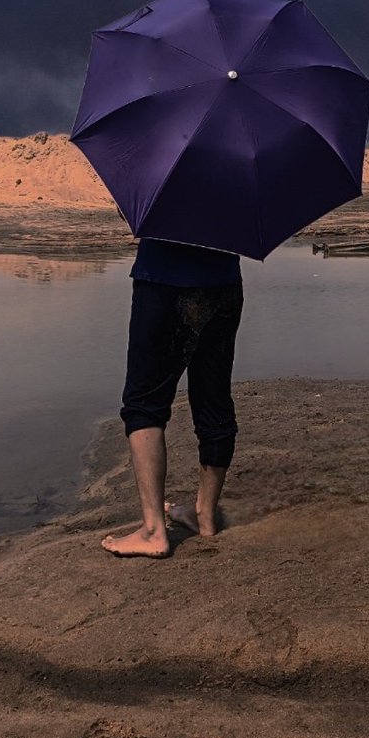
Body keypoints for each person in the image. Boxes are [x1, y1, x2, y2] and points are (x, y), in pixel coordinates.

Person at [101, 236, 244, 558]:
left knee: (144, 403)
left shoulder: (165, 183)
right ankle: (205, 515)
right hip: (224, 282)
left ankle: (153, 531)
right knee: (214, 399)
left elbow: (137, 211)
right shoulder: (236, 184)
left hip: (165, 279)